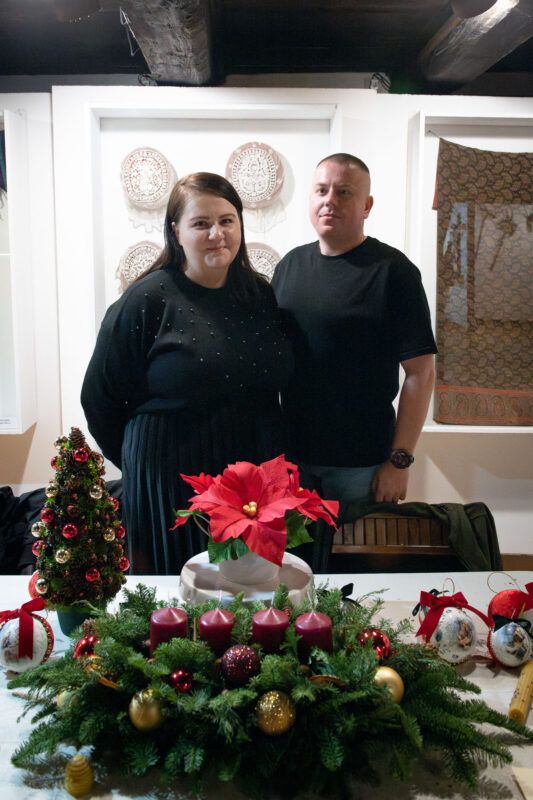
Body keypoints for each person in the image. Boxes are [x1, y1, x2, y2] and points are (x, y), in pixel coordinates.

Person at [81, 172, 293, 574]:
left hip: (250, 483)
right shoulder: (145, 300)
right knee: (176, 599)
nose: (217, 233)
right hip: (169, 481)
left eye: (227, 220)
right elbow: (98, 398)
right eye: (201, 223)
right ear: (176, 231)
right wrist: (140, 466)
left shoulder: (259, 294)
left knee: (247, 593)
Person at [271, 153, 437, 509]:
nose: (329, 200)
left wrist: (400, 461)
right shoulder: (289, 266)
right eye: (321, 190)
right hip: (293, 463)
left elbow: (421, 374)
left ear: (367, 206)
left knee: (358, 548)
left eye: (344, 192)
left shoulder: (394, 272)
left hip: (363, 467)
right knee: (296, 548)